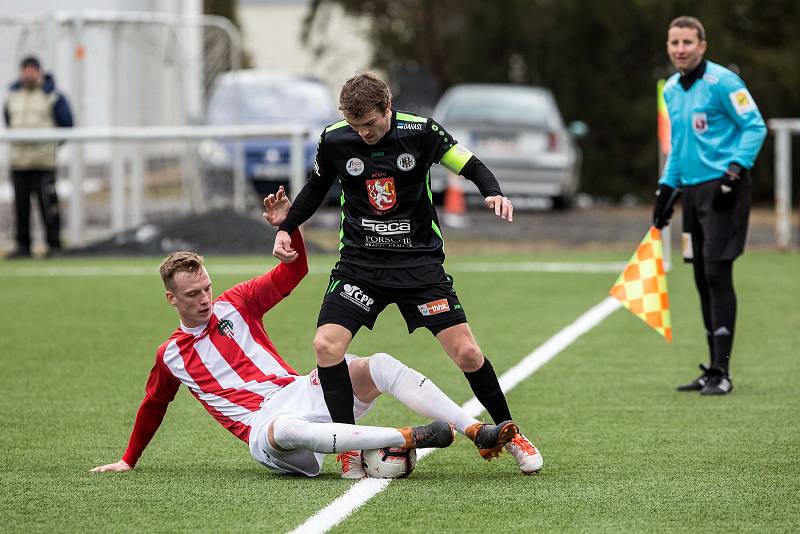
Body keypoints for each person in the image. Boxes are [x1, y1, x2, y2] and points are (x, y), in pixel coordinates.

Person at [91, 187, 519, 478]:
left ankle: (472, 430)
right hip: (263, 429)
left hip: (298, 390)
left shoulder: (236, 302)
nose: (204, 298)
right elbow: (154, 404)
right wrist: (129, 460)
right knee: (284, 431)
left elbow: (294, 270)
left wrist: (288, 225)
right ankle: (405, 437)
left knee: (379, 366)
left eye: (206, 287)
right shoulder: (171, 354)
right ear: (172, 300)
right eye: (192, 294)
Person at [272, 72, 543, 475]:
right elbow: (315, 187)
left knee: (467, 352)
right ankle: (348, 444)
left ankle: (510, 431)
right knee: (327, 346)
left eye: (370, 123)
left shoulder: (421, 132)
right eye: (356, 125)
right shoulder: (335, 139)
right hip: (360, 265)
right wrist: (285, 228)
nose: (363, 133)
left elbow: (469, 164)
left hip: (418, 265)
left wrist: (492, 191)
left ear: (387, 108)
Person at [652, 16, 767, 395]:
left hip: (725, 191)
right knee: (701, 276)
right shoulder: (671, 88)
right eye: (674, 43)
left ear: (702, 45)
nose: (680, 49)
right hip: (692, 193)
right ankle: (712, 368)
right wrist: (665, 191)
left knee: (718, 273)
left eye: (687, 42)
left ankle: (723, 372)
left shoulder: (724, 82)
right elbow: (680, 147)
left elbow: (755, 126)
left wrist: (734, 172)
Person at [3, 56, 74, 259]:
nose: (29, 73)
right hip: (19, 161)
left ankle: (54, 245)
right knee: (21, 207)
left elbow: (67, 123)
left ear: (39, 72)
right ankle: (23, 246)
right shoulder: (12, 95)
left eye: (33, 69)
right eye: (25, 69)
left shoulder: (52, 95)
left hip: (43, 162)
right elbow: (8, 120)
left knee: (48, 206)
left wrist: (50, 147)